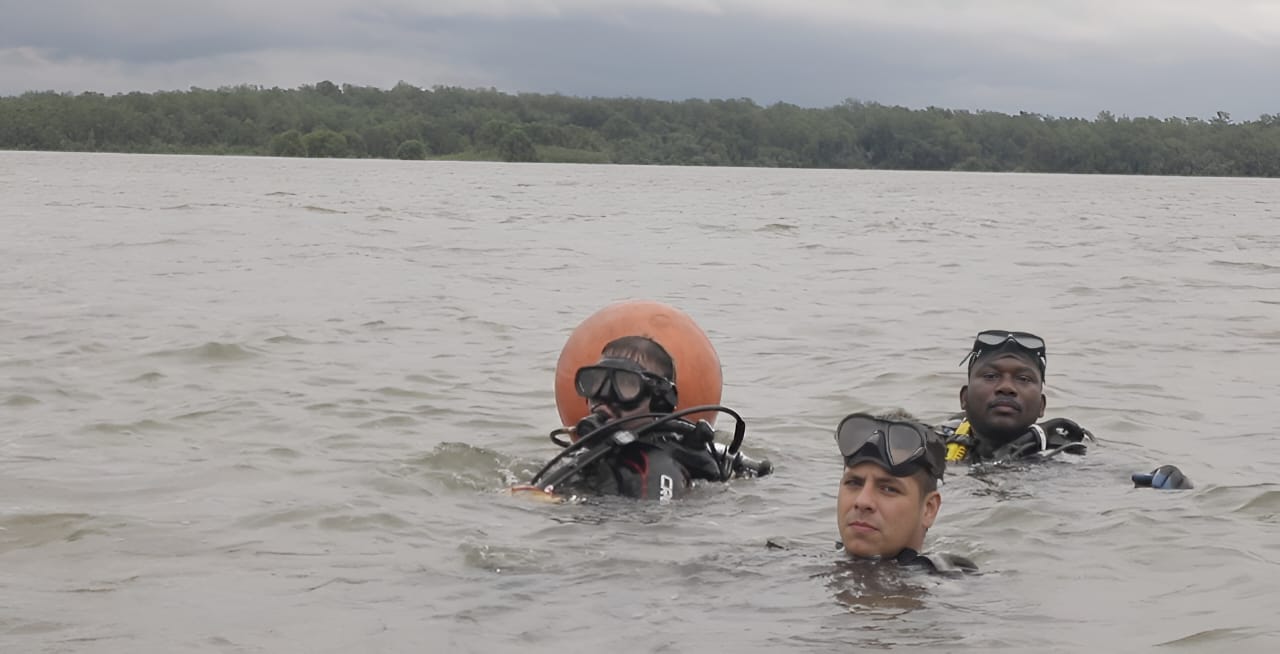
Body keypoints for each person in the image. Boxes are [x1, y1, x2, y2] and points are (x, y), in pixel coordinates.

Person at [937, 329, 1192, 490]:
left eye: (1023, 379)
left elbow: (1122, 476)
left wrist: (1170, 481)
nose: (1006, 387)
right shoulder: (926, 448)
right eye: (991, 376)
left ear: (1042, 407)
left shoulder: (1068, 456)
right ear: (963, 399)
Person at [524, 335, 769, 502]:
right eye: (596, 382)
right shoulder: (583, 456)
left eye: (625, 385)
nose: (605, 398)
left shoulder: (657, 467)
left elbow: (651, 536)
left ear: (659, 399)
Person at [834, 411, 976, 574]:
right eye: (853, 483)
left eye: (888, 489)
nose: (863, 501)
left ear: (928, 509)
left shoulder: (952, 587)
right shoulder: (803, 567)